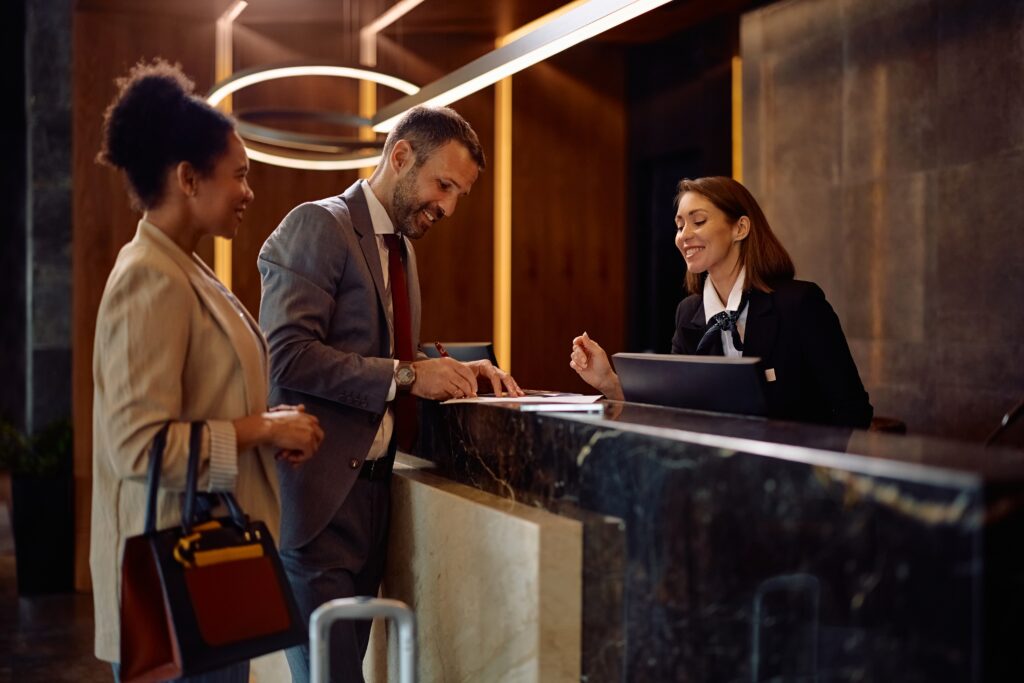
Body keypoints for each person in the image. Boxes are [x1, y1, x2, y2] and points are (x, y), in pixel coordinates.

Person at [258, 105, 524, 682]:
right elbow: (288, 355)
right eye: (443, 185)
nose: (449, 207)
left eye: (459, 194)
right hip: (318, 505)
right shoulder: (317, 225)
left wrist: (448, 368)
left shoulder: (401, 248)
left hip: (374, 503)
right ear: (400, 156)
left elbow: (373, 349)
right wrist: (408, 376)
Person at [90, 60, 324, 682]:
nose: (249, 192)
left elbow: (203, 404)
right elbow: (140, 449)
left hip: (211, 584)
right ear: (188, 178)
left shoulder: (185, 268)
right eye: (239, 175)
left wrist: (268, 425)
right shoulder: (150, 277)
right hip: (176, 590)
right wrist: (263, 429)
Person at [571, 176, 872, 428]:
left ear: (740, 228)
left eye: (698, 221)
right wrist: (609, 381)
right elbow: (671, 413)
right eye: (679, 225)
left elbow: (852, 410)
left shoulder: (800, 304)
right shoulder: (688, 313)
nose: (684, 236)